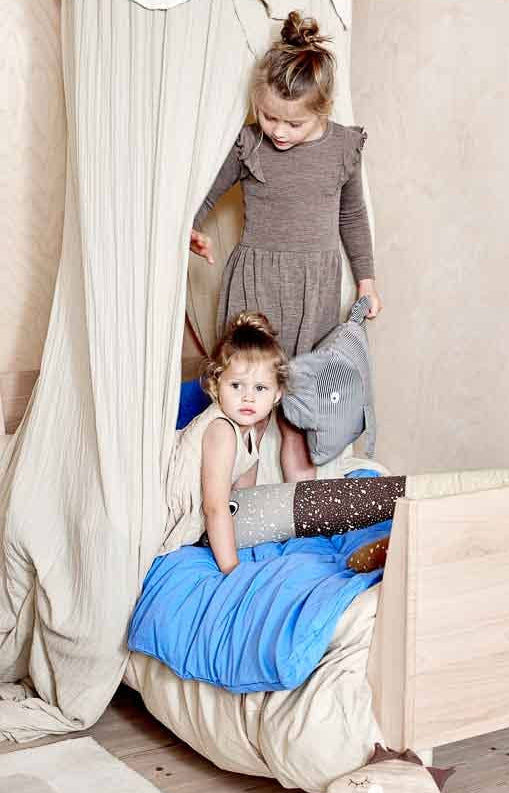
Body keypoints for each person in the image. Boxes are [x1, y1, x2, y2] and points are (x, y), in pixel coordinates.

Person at [189, 9, 381, 481]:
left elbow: (352, 215)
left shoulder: (342, 148)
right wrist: (189, 227)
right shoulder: (250, 144)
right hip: (255, 286)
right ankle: (235, 514)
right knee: (242, 414)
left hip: (312, 295)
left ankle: (303, 519)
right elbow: (208, 192)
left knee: (298, 415)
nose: (277, 131)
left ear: (323, 110)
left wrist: (367, 280)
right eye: (269, 116)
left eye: (292, 124)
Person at [161, 312, 288, 573]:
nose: (248, 398)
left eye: (260, 388)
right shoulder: (222, 431)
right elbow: (215, 506)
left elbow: (241, 500)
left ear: (277, 394)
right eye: (237, 386)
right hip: (161, 502)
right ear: (216, 385)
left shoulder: (251, 432)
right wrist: (231, 567)